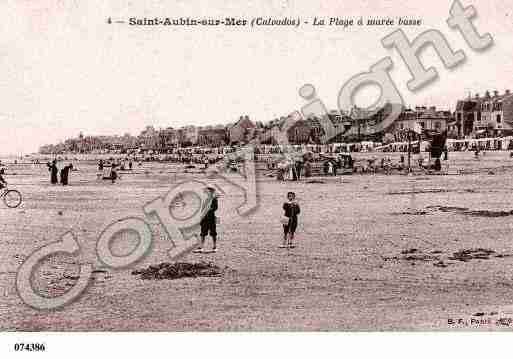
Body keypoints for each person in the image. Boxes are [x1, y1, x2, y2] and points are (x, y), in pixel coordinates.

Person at [194, 186, 219, 253]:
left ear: (211, 191)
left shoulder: (214, 199)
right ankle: (201, 247)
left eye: (207, 191)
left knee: (213, 233)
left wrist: (207, 209)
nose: (205, 192)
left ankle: (214, 247)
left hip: (211, 218)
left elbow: (215, 208)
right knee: (203, 233)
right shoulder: (205, 199)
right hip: (204, 218)